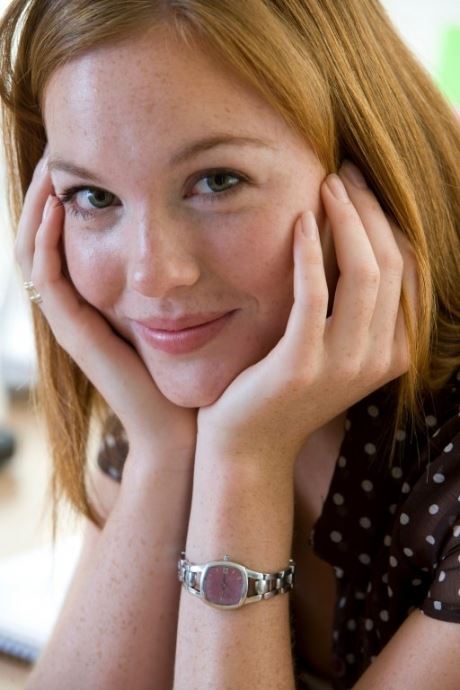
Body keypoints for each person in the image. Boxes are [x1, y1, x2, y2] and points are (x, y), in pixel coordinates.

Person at [0, 1, 459, 688]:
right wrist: (162, 453)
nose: (152, 275)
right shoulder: (185, 369)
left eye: (218, 181)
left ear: (364, 165)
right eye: (93, 196)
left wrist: (244, 463)